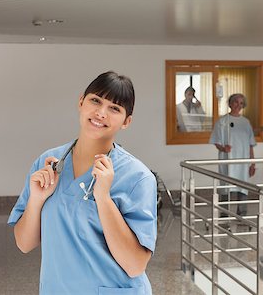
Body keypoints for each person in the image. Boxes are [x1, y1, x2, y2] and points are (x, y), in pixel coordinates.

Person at [8, 71, 157, 294]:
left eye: (114, 108)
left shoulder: (137, 177)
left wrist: (103, 198)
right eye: (95, 100)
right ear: (81, 102)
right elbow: (24, 243)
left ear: (126, 122)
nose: (101, 113)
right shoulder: (48, 162)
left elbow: (135, 265)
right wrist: (37, 200)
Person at [209, 93, 256, 219]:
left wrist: (253, 163)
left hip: (243, 161)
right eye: (235, 102)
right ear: (230, 103)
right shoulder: (222, 122)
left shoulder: (246, 123)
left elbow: (251, 144)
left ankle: (242, 215)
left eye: (241, 103)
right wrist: (223, 148)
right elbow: (216, 142)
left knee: (243, 187)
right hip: (227, 160)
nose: (238, 105)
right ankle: (224, 214)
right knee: (226, 187)